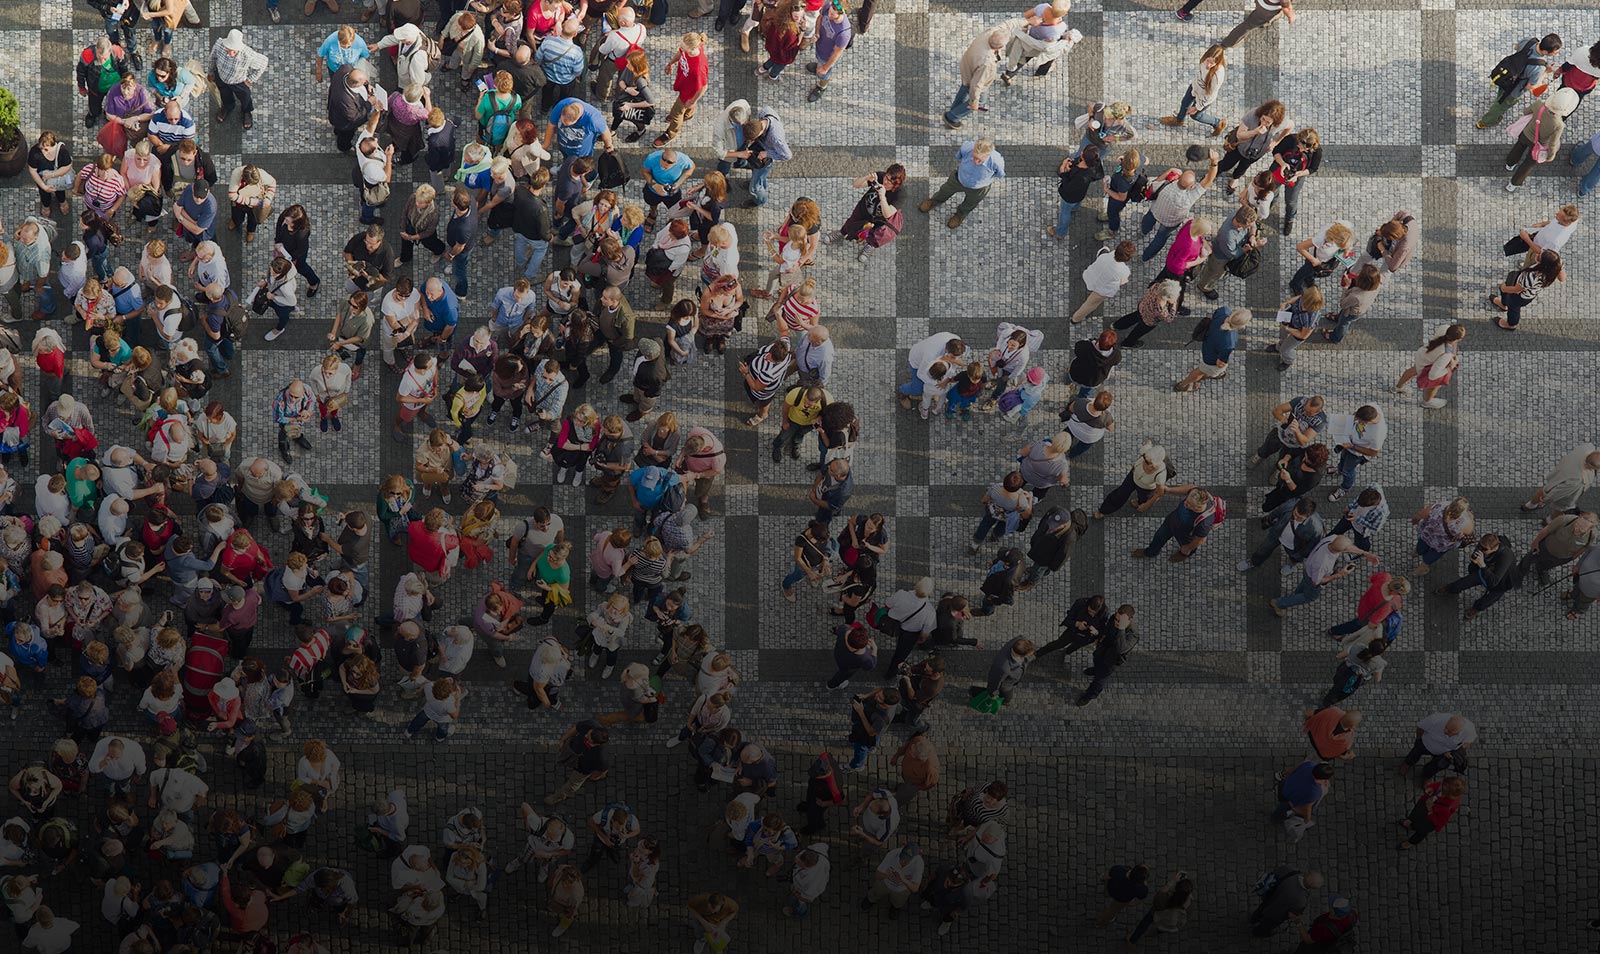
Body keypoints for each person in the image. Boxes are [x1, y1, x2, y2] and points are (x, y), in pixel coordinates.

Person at [1479, 33, 1562, 128]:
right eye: (1555, 52)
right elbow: (1530, 87)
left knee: (1501, 94)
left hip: (1506, 75)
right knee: (1501, 106)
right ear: (1547, 52)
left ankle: (1498, 100)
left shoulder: (1529, 40)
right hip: (1514, 88)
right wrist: (1546, 72)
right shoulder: (1539, 68)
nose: (1556, 53)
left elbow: (1516, 47)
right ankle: (1486, 122)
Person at [919, 138, 1005, 230]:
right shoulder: (967, 147)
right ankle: (934, 201)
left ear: (987, 155)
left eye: (980, 160)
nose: (976, 162)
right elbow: (959, 156)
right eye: (974, 157)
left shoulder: (996, 161)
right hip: (958, 179)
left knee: (970, 203)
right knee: (944, 191)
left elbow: (1000, 174)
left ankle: (960, 215)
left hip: (979, 188)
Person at [1132, 488, 1221, 563]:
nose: (1185, 503)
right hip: (1171, 522)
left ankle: (1182, 555)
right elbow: (1189, 488)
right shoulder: (1196, 492)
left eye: (1189, 504)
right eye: (1187, 499)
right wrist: (1168, 490)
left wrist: (1188, 548)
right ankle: (1150, 552)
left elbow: (1200, 539)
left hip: (1185, 535)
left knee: (1186, 549)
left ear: (1198, 507)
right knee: (1159, 537)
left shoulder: (1204, 522)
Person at [944, 24, 1007, 129]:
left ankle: (954, 110)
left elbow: (1006, 24)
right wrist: (974, 102)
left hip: (967, 67)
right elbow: (977, 84)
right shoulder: (987, 63)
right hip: (975, 77)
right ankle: (951, 117)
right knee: (981, 100)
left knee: (964, 88)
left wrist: (1026, 21)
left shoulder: (987, 34)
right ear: (1000, 47)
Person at [1400, 712, 1476, 782]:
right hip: (1426, 744)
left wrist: (1454, 753)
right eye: (1446, 727)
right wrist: (1419, 739)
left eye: (1450, 732)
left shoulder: (1469, 731)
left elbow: (1468, 743)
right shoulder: (1436, 719)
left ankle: (1427, 776)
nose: (1445, 731)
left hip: (1445, 753)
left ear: (1459, 732)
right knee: (1415, 752)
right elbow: (1420, 728)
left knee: (1437, 766)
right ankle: (1408, 763)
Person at [1397, 776, 1465, 850]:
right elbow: (1435, 786)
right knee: (1415, 815)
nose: (1442, 785)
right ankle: (1411, 824)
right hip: (1423, 807)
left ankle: (1411, 842)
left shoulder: (1448, 808)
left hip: (1429, 821)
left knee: (1420, 832)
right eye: (1444, 783)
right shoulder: (1443, 786)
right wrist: (1431, 788)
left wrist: (1430, 810)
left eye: (1445, 786)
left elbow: (1439, 822)